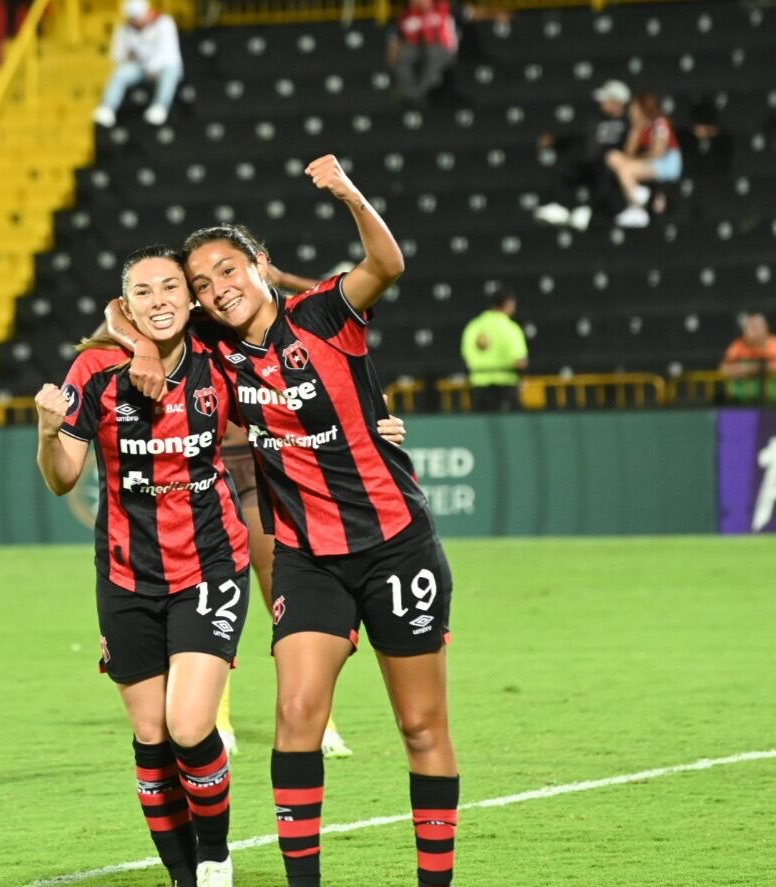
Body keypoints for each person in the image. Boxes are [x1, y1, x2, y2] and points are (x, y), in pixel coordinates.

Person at [121, 156, 458, 887]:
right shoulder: (210, 350)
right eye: (202, 285)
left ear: (259, 264)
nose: (215, 289)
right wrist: (146, 344)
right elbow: (125, 312)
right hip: (309, 557)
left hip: (397, 546)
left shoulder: (325, 316)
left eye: (225, 271)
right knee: (296, 716)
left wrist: (347, 193)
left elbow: (386, 261)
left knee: (421, 726)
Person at [35, 246, 246, 887]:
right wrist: (47, 432)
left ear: (190, 299)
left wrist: (370, 429)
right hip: (126, 575)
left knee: (189, 726)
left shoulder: (219, 360)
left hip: (210, 565)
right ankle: (185, 877)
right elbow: (62, 479)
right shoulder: (95, 369)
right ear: (127, 307)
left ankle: (215, 858)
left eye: (170, 288)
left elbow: (294, 405)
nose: (159, 301)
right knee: (152, 737)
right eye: (144, 292)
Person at [534, 79, 631, 231]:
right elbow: (577, 135)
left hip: (607, 167)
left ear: (617, 102)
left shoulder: (628, 123)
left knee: (606, 175)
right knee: (563, 168)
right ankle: (563, 208)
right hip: (585, 162)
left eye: (607, 100)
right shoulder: (595, 118)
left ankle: (590, 211)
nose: (603, 103)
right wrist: (555, 141)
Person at [93, 0, 183, 129]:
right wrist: (131, 57)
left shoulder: (164, 23)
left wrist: (150, 66)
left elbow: (168, 53)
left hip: (163, 65)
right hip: (141, 67)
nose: (135, 22)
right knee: (120, 73)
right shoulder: (125, 28)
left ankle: (160, 106)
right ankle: (108, 107)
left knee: (170, 71)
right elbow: (118, 55)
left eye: (137, 18)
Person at [606, 92, 683, 228]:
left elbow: (658, 153)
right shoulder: (641, 126)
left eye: (634, 108)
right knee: (613, 157)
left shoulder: (660, 122)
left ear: (643, 108)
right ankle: (637, 194)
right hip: (652, 161)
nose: (631, 111)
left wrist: (635, 161)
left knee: (625, 171)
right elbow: (628, 153)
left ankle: (637, 207)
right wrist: (635, 130)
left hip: (668, 163)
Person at [460, 289, 528, 412]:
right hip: (507, 386)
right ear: (508, 304)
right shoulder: (511, 328)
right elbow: (520, 361)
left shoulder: (473, 326)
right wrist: (522, 381)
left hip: (479, 386)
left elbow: (467, 360)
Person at [388, 0, 458, 104]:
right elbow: (398, 38)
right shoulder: (407, 15)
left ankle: (417, 94)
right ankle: (413, 93)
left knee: (433, 52)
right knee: (403, 55)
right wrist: (393, 56)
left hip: (444, 50)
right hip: (421, 50)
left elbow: (471, 14)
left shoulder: (445, 7)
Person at [720, 312, 776, 405]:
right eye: (751, 327)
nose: (754, 331)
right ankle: (738, 405)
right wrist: (745, 369)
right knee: (736, 377)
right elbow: (724, 369)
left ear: (766, 328)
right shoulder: (738, 345)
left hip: (771, 396)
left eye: (757, 327)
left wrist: (750, 367)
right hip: (744, 395)